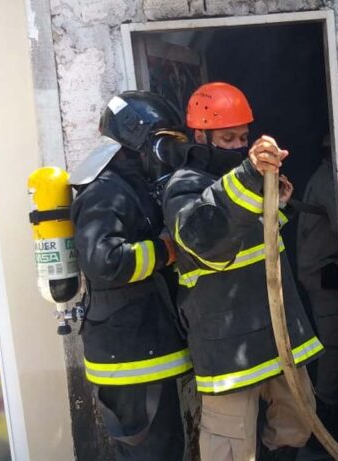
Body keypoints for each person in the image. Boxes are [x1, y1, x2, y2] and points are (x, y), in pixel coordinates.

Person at [162, 82, 323, 461]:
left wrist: (275, 205)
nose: (237, 146)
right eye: (228, 137)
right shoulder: (183, 187)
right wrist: (250, 177)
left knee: (296, 425)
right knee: (229, 450)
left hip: (278, 336)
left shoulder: (248, 182)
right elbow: (208, 240)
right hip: (226, 345)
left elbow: (259, 247)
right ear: (200, 136)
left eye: (243, 137)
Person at [69, 91, 192, 461]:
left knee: (165, 449)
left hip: (141, 350)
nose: (166, 155)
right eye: (162, 144)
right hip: (130, 356)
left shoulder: (131, 186)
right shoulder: (106, 192)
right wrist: (165, 250)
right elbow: (102, 261)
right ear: (138, 141)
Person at [296, 135, 338, 450]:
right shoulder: (327, 182)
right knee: (333, 345)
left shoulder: (324, 177)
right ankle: (323, 419)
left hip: (322, 270)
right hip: (322, 274)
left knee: (337, 343)